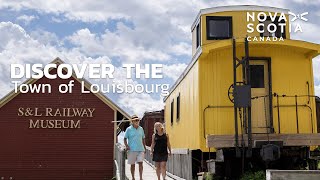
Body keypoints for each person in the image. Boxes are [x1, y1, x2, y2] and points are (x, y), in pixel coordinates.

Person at [124, 115, 146, 180]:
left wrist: (144, 147)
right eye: (135, 120)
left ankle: (141, 178)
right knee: (132, 164)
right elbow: (125, 138)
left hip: (140, 149)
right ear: (132, 121)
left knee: (141, 163)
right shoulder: (128, 129)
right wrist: (127, 146)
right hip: (132, 149)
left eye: (138, 120)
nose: (137, 121)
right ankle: (133, 178)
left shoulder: (141, 129)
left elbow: (143, 138)